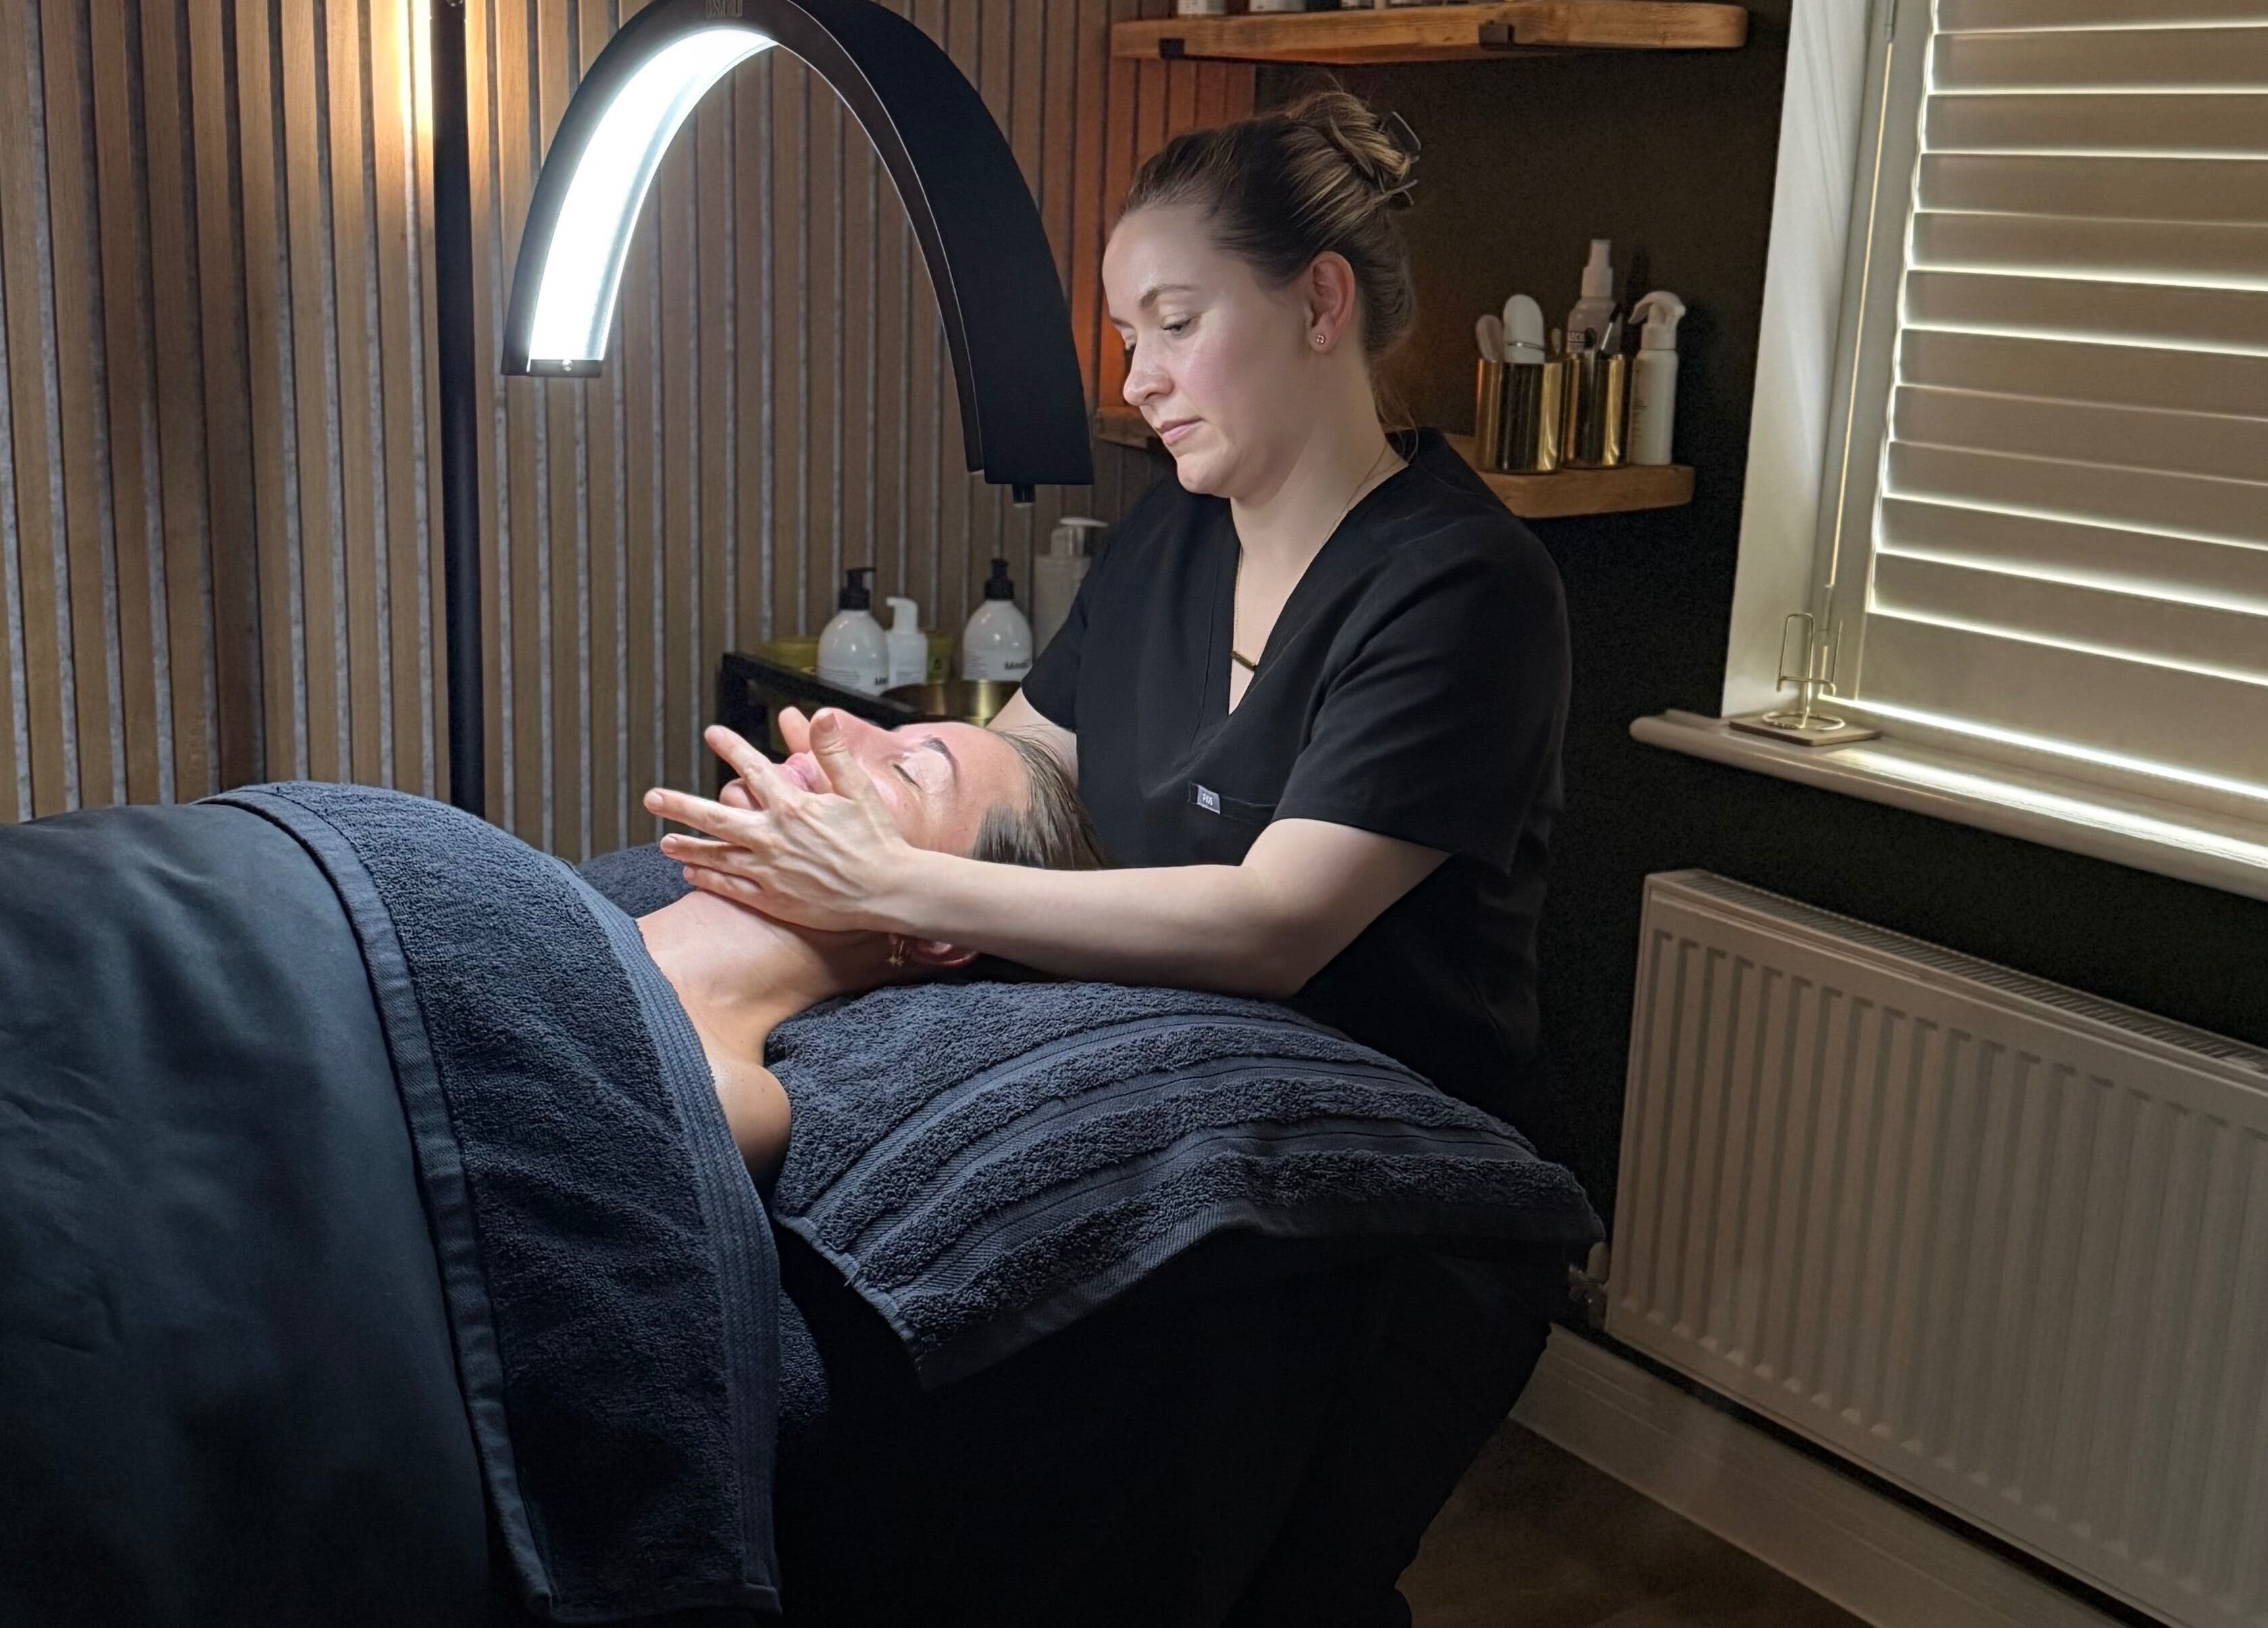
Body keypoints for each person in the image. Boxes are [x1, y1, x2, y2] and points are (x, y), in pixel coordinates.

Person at [647, 88, 1570, 1126]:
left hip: (1377, 1139)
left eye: (1175, 324)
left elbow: (1274, 927)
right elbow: (1021, 770)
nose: (1139, 380)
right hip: (1165, 1073)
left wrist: (884, 883)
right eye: (1131, 337)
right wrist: (843, 801)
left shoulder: (1463, 586)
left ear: (1319, 303)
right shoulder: (1172, 535)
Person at [636, 717, 1104, 1177]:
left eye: (908, 771)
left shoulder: (713, 1094)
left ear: (939, 932)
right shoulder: (585, 910)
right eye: (894, 733)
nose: (836, 724)